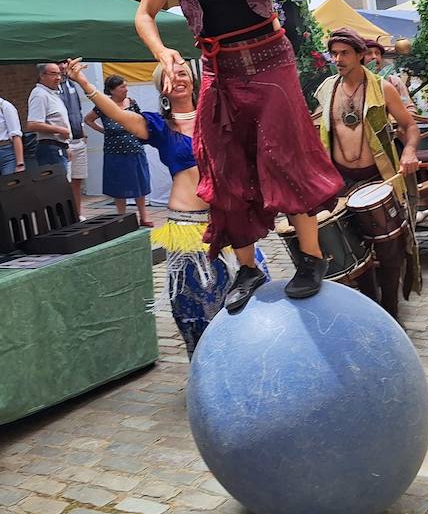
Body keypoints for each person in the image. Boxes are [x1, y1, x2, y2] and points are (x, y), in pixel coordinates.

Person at [134, 0, 344, 310]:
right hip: (218, 68)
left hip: (271, 61)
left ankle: (310, 258)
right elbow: (144, 13)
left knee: (285, 154)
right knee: (223, 165)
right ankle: (247, 268)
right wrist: (163, 51)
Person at [66, 59, 269, 355]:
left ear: (194, 80)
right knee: (198, 306)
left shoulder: (216, 117)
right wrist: (85, 84)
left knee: (253, 294)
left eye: (183, 73)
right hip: (187, 227)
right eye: (170, 77)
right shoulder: (159, 126)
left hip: (228, 222)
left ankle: (253, 359)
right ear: (162, 88)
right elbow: (119, 115)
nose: (178, 79)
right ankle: (207, 368)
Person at [315, 28, 422, 318]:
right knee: (353, 249)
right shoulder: (327, 90)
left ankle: (390, 311)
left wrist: (409, 151)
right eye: (334, 53)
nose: (338, 59)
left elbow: (410, 126)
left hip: (378, 178)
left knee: (389, 251)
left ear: (361, 55)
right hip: (341, 181)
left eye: (344, 53)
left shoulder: (382, 87)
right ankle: (370, 308)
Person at [84, 75, 153, 228]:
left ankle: (144, 216)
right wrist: (104, 131)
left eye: (126, 86)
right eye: (122, 87)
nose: (126, 89)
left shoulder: (132, 103)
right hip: (114, 151)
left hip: (134, 148)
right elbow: (88, 119)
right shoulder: (104, 105)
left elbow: (140, 120)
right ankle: (121, 218)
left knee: (139, 184)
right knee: (118, 185)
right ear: (112, 90)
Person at [27, 63, 74, 186]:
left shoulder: (53, 93)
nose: (58, 77)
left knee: (64, 186)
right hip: (49, 148)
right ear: (42, 76)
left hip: (60, 146)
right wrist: (60, 130)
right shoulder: (39, 94)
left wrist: (66, 145)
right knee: (57, 187)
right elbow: (32, 124)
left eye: (59, 74)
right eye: (53, 74)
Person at [56, 60, 90, 218]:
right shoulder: (51, 89)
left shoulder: (72, 83)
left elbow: (78, 109)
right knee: (65, 183)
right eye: (58, 64)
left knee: (77, 180)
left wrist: (82, 130)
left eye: (64, 63)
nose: (63, 67)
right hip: (63, 142)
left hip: (78, 138)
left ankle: (77, 214)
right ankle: (66, 218)